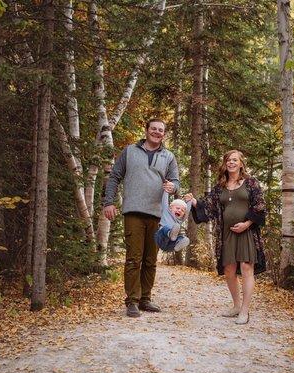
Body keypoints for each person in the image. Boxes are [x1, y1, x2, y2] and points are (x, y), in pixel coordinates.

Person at [103, 118, 179, 318]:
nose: (157, 132)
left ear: (164, 134)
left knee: (150, 260)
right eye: (153, 128)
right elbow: (114, 177)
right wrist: (108, 202)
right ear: (146, 130)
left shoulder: (169, 156)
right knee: (134, 258)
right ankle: (132, 301)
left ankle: (145, 298)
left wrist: (173, 187)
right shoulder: (130, 151)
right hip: (133, 212)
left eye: (160, 130)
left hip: (157, 214)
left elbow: (176, 182)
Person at [184, 150, 266, 325]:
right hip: (226, 233)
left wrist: (247, 223)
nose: (231, 163)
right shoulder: (220, 186)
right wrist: (193, 202)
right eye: (228, 160)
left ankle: (245, 310)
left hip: (247, 232)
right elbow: (209, 206)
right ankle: (236, 306)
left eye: (235, 160)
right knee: (229, 271)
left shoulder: (251, 183)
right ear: (225, 164)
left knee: (246, 268)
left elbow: (260, 205)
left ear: (241, 163)